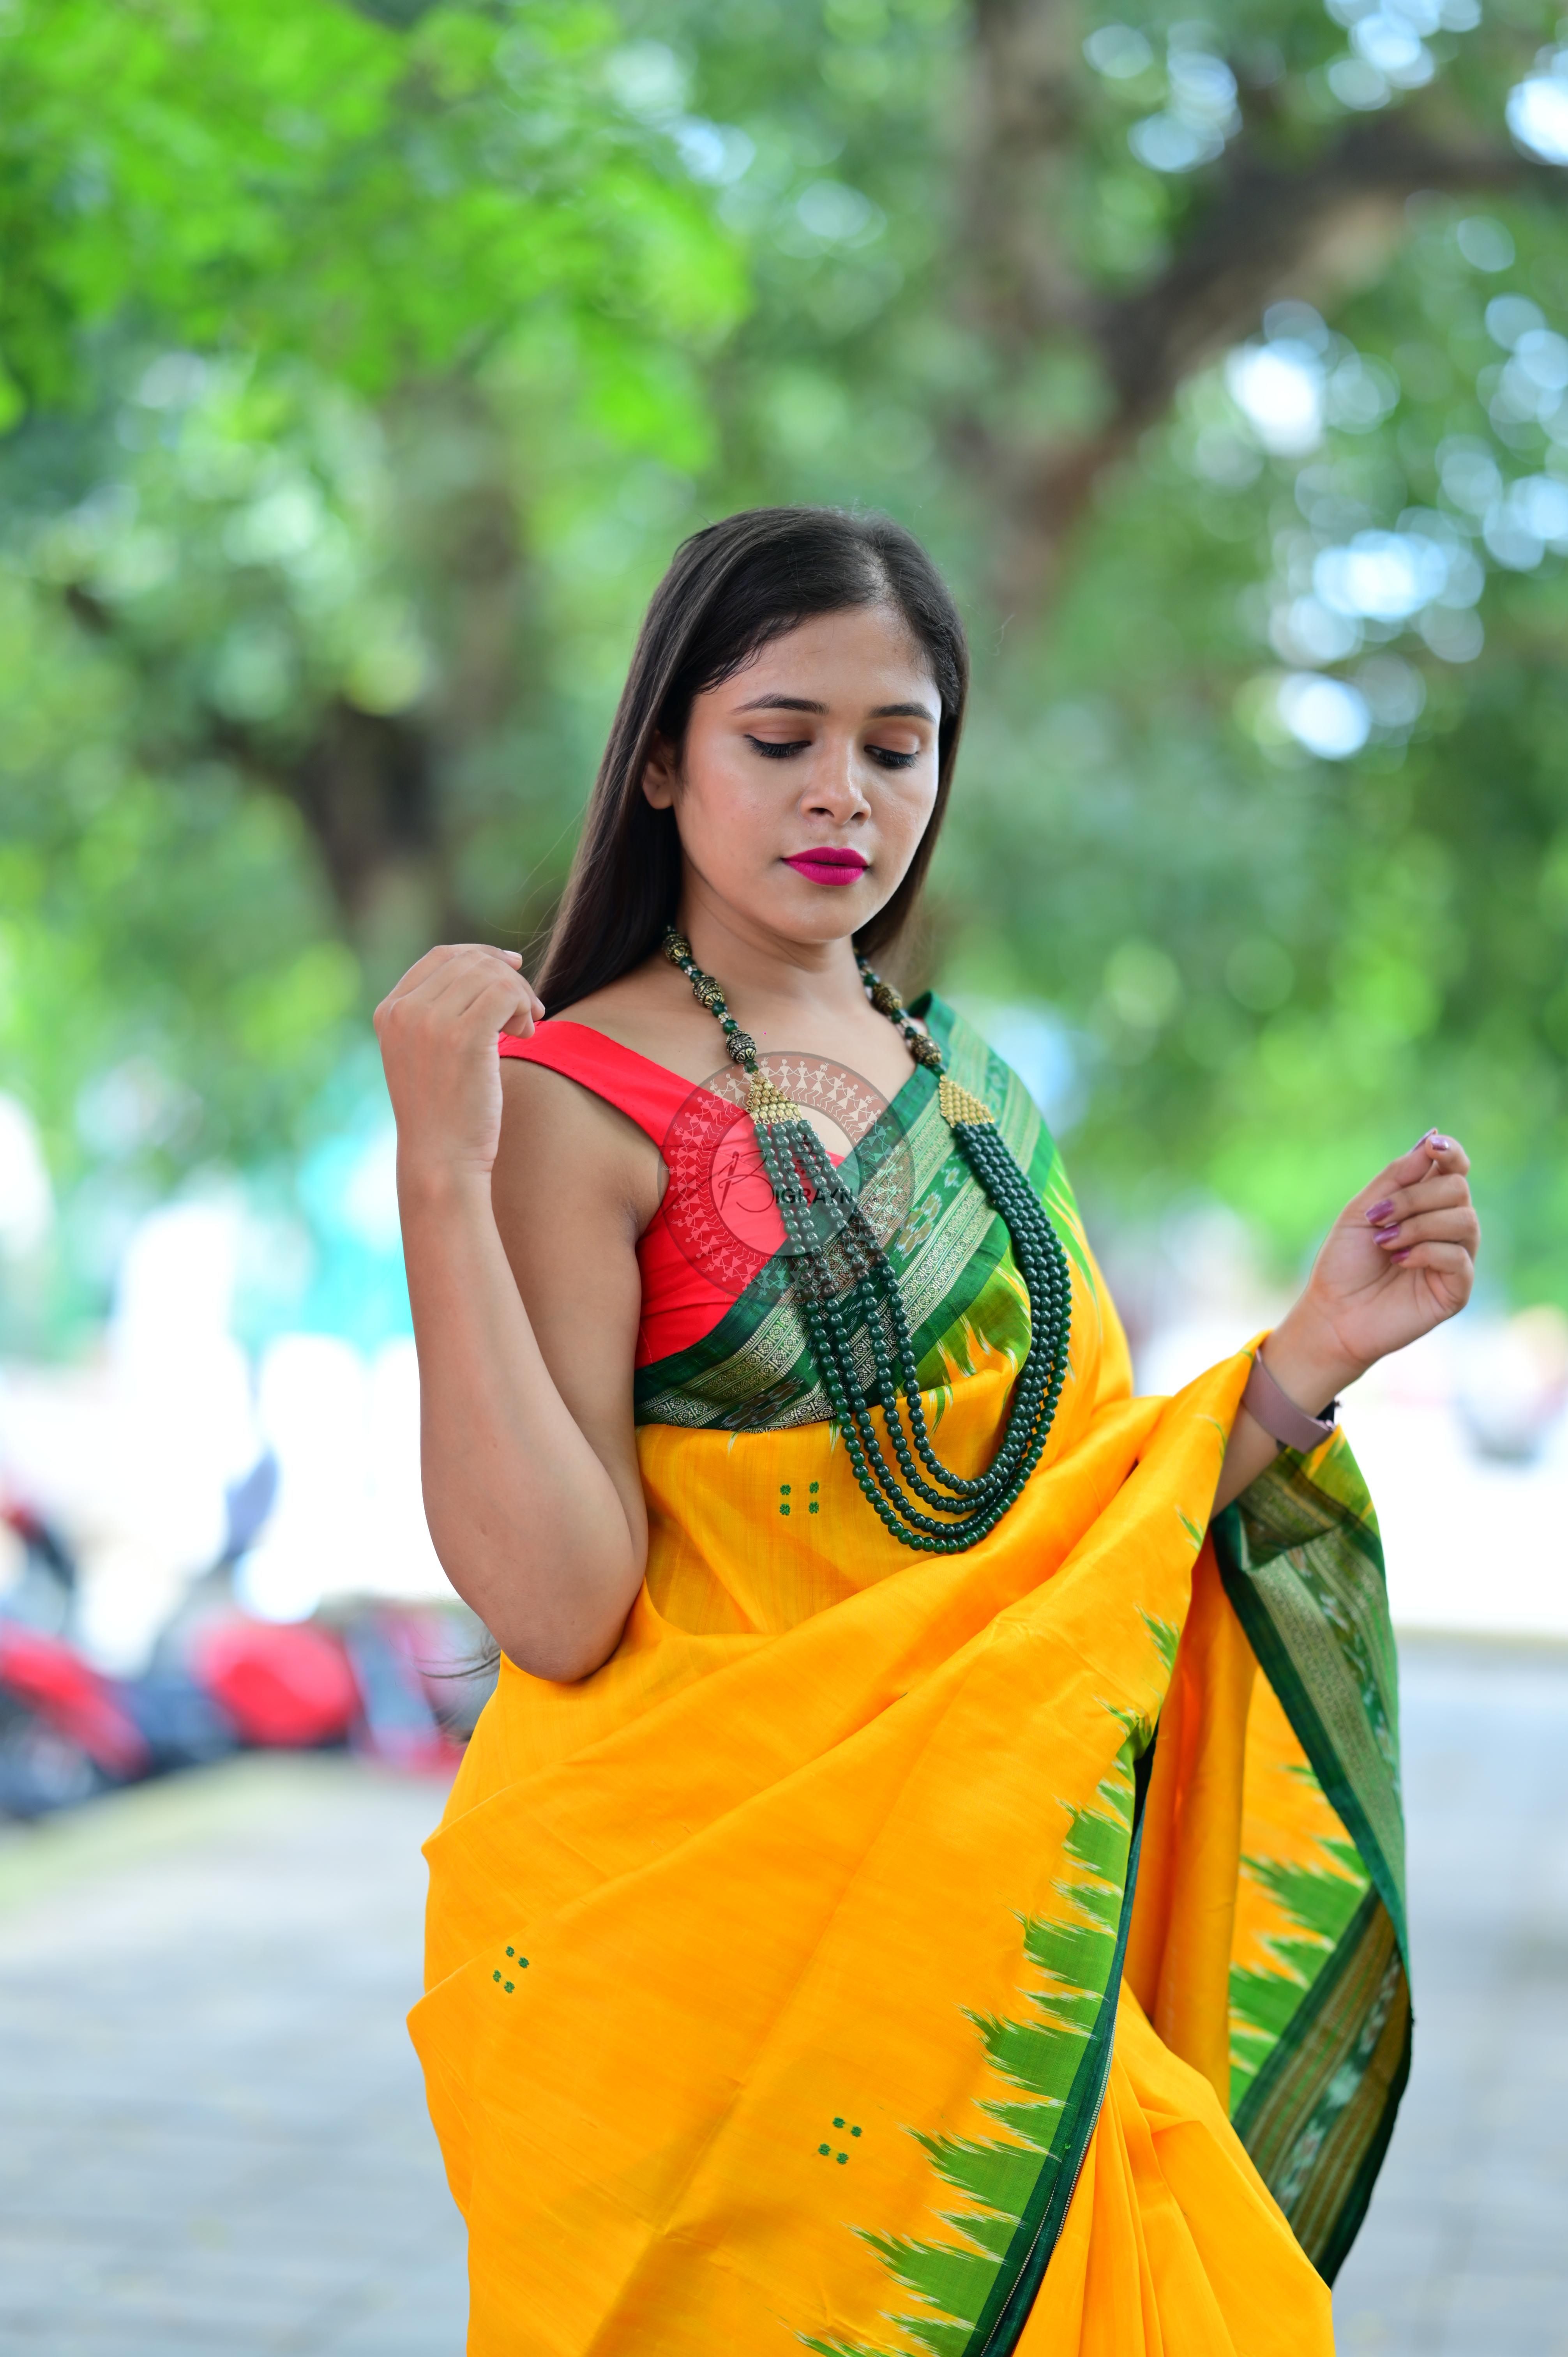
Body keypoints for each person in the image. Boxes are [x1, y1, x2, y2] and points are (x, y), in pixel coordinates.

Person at [380, 507, 1478, 2356]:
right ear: (663, 759)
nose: (846, 796)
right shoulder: (573, 1105)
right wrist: (440, 1163)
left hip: (985, 1928)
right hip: (696, 1942)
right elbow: (559, 1610)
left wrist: (1303, 1363)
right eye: (780, 736)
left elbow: (1074, 1535)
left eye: (897, 748)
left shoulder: (973, 1089)